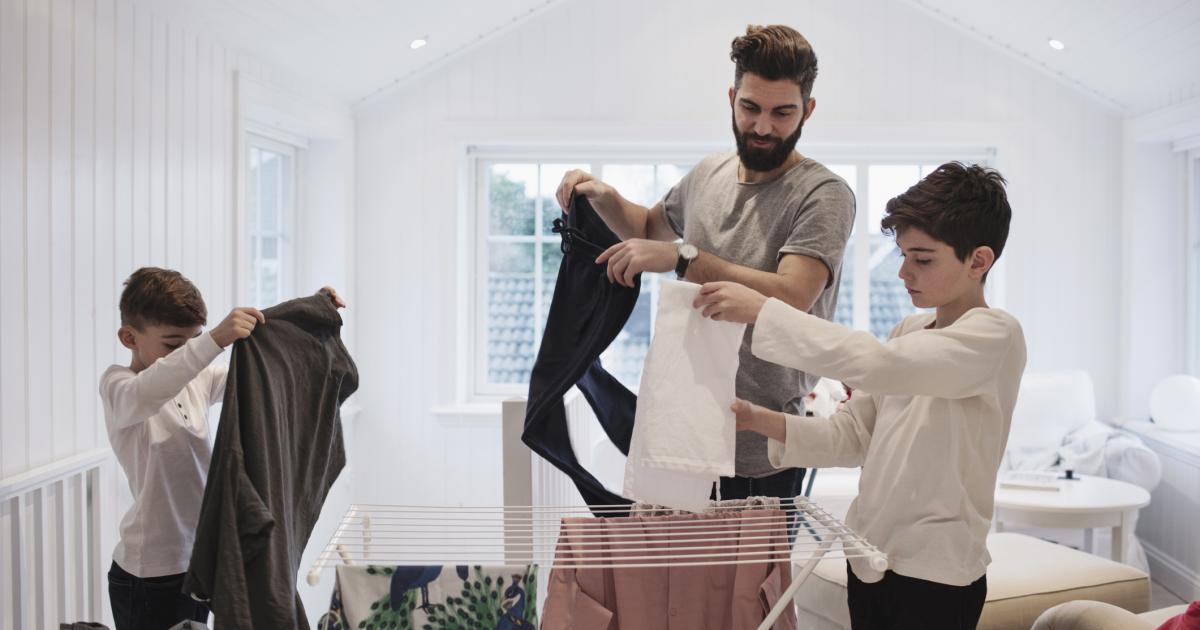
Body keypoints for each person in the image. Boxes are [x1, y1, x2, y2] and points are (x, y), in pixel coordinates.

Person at [694, 162, 1027, 629]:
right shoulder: (909, 328)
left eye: (923, 259)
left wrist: (765, 311)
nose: (903, 272)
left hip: (937, 576)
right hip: (869, 560)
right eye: (903, 255)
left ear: (979, 260)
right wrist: (755, 418)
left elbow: (881, 364)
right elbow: (853, 436)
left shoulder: (995, 337)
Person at [556, 24, 855, 501]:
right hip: (681, 435)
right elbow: (647, 228)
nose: (762, 127)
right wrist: (605, 196)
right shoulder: (707, 174)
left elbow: (793, 293)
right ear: (732, 96)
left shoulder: (823, 194)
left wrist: (682, 259)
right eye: (750, 108)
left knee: (754, 579)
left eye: (783, 113)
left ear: (809, 110)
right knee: (673, 577)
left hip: (763, 451)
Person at [101, 267, 344, 630]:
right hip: (147, 574)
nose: (185, 350)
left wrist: (311, 313)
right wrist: (212, 340)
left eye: (192, 339)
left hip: (197, 564)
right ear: (128, 337)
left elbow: (262, 373)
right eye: (172, 343)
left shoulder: (194, 379)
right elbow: (150, 389)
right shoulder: (118, 386)